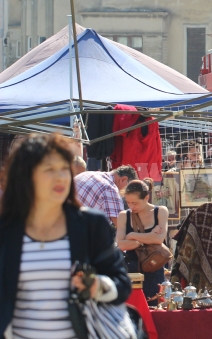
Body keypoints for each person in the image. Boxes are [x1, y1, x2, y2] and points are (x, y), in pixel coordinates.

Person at [0, 134, 131, 338]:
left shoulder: (90, 224)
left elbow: (122, 285)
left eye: (64, 169)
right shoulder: (7, 229)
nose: (60, 177)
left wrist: (97, 285)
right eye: (49, 170)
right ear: (26, 176)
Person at [116, 179, 169, 305]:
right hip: (131, 269)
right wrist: (148, 238)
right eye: (128, 203)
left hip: (154, 267)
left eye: (135, 203)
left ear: (146, 198)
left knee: (155, 306)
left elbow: (158, 239)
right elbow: (122, 245)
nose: (131, 207)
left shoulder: (160, 211)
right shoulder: (124, 215)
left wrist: (132, 236)